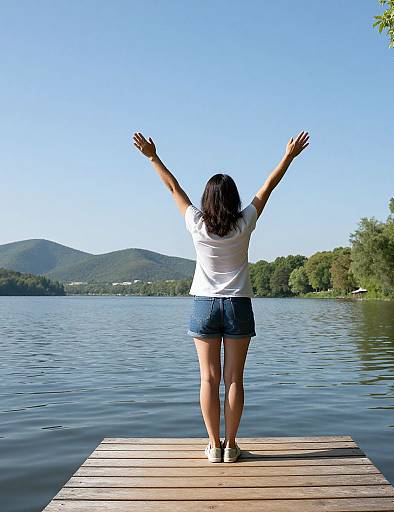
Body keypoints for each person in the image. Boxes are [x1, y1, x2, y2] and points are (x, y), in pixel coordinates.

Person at [133, 130, 310, 463]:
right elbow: (267, 187)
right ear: (233, 199)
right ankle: (231, 445)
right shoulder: (245, 223)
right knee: (233, 379)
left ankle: (213, 446)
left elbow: (173, 188)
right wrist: (288, 156)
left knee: (208, 378)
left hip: (204, 305)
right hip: (239, 304)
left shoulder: (196, 225)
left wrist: (153, 157)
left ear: (207, 200)